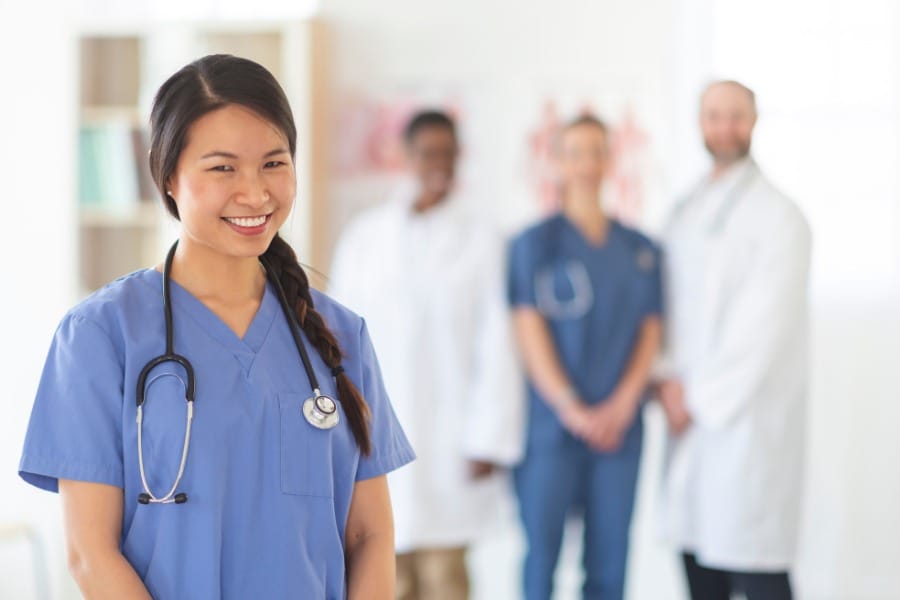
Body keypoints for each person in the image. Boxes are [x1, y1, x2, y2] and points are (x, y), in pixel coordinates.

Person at [18, 54, 414, 599]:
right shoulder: (100, 334)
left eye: (274, 163)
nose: (254, 194)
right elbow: (91, 554)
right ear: (169, 177)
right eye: (222, 168)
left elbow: (370, 533)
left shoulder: (339, 335)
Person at [329, 110, 524, 600]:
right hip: (375, 431)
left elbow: (498, 343)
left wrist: (489, 437)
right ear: (406, 156)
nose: (438, 163)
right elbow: (338, 340)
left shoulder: (482, 238)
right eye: (427, 153)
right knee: (381, 571)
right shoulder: (366, 237)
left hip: (450, 434)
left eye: (448, 153)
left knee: (444, 576)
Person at [656, 80, 811, 600]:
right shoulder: (684, 210)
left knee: (757, 568)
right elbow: (666, 307)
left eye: (736, 116)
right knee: (700, 565)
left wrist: (696, 399)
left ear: (754, 121)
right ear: (700, 123)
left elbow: (763, 328)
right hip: (688, 419)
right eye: (715, 115)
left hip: (745, 424)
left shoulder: (781, 217)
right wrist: (667, 381)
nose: (726, 127)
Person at [507, 114, 663, 600]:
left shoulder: (640, 249)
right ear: (557, 162)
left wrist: (620, 407)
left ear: (611, 159)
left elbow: (650, 332)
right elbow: (529, 330)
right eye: (575, 152)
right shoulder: (533, 245)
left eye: (597, 151)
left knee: (609, 568)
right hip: (552, 430)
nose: (588, 163)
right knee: (541, 563)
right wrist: (573, 408)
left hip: (619, 432)